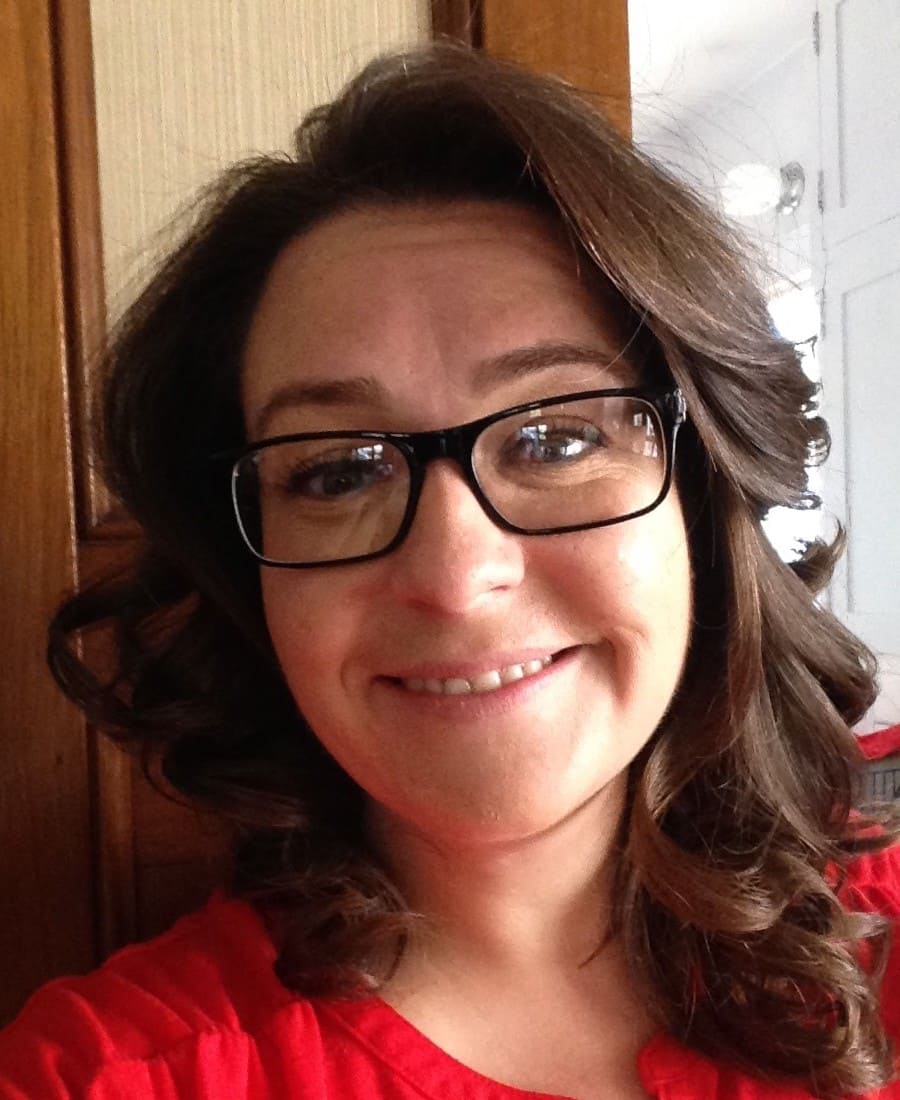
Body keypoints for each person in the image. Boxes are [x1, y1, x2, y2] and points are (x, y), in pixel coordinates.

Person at [0, 42, 897, 1100]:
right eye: (336, 470)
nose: (456, 573)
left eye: (556, 440)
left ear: (705, 498)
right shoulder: (112, 1077)